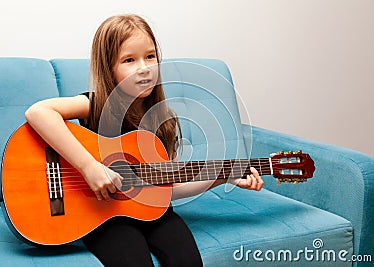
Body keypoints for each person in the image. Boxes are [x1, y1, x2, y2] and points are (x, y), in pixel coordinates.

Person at [25, 14, 263, 267]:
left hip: (153, 213)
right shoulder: (95, 105)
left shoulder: (164, 120)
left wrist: (222, 177)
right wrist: (89, 166)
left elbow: (170, 187)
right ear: (109, 67)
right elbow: (38, 112)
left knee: (188, 261)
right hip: (103, 216)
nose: (144, 68)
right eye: (129, 60)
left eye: (150, 57)